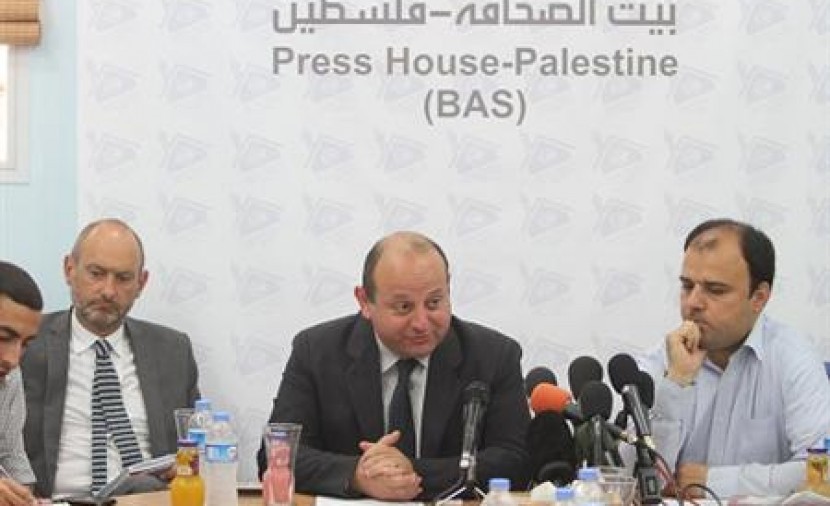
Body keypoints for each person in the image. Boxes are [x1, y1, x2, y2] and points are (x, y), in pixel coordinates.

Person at [257, 231, 530, 500]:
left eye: (434, 303)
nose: (421, 322)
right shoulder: (316, 351)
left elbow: (515, 461)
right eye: (403, 307)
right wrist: (357, 475)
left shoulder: (494, 355)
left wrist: (409, 472)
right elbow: (276, 456)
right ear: (365, 301)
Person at [639, 218, 830, 498]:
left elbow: (823, 470)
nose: (693, 303)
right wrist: (675, 384)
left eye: (715, 290)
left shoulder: (793, 358)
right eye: (687, 286)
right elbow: (631, 478)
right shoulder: (663, 360)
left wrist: (711, 481)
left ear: (759, 298)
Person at [21, 219, 201, 498]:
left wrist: (188, 463)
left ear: (141, 283)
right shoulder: (24, 343)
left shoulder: (173, 350)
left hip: (148, 500)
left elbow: (197, 443)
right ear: (69, 269)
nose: (108, 291)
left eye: (123, 278)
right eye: (96, 273)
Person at [0, 261, 43, 506]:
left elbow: (11, 456)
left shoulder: (9, 377)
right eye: (3, 337)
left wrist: (23, 498)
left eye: (25, 344)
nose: (13, 359)